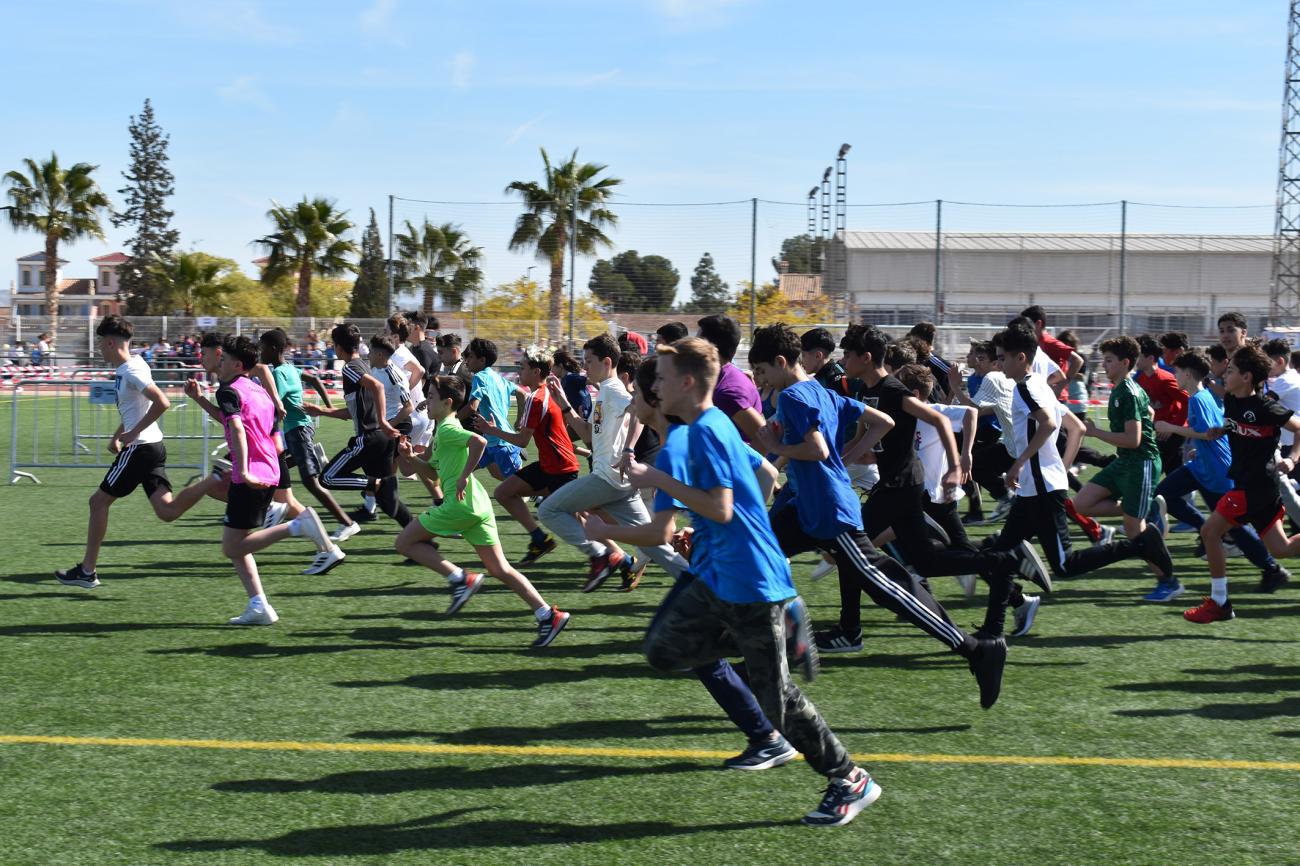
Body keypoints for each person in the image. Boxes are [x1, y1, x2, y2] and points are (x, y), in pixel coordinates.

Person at [623, 336, 883, 826]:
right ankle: (786, 626)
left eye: (659, 378)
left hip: (753, 582)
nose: (652, 387)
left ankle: (850, 779)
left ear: (684, 383)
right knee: (662, 650)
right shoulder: (700, 428)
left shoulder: (701, 432)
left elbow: (720, 506)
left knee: (777, 700)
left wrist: (653, 484)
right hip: (718, 578)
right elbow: (760, 478)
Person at [585, 354, 803, 771]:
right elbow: (764, 476)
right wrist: (714, 527)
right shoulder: (696, 433)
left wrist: (602, 533)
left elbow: (658, 535)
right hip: (720, 561)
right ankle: (767, 733)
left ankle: (778, 736)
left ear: (658, 393)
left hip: (725, 570)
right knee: (700, 653)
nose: (631, 404)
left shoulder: (678, 446)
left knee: (679, 647)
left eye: (637, 395)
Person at [824, 325, 1047, 655]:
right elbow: (861, 439)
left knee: (847, 550)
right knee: (926, 562)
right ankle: (1003, 557)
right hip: (901, 487)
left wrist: (958, 464)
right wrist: (835, 464)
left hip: (900, 487)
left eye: (847, 354)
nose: (842, 360)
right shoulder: (867, 391)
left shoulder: (894, 390)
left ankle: (849, 631)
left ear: (866, 358)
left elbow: (942, 421)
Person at [982, 325, 1173, 616]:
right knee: (998, 553)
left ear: (1020, 357)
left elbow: (1048, 424)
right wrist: (1062, 465)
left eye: (1002, 358)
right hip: (1038, 487)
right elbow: (1077, 427)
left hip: (1043, 490)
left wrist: (1019, 464)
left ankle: (1139, 544)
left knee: (1064, 565)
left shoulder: (1024, 389)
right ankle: (1006, 618)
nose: (998, 364)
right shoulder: (1039, 385)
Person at [393, 375, 571, 648]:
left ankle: (460, 578)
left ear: (447, 402)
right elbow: (429, 472)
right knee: (500, 568)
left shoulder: (449, 429)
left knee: (404, 542)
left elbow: (480, 441)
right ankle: (548, 615)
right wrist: (408, 456)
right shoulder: (441, 431)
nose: (426, 400)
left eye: (430, 396)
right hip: (476, 506)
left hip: (459, 504)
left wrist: (464, 475)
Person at [55, 316, 225, 589]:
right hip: (152, 447)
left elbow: (162, 402)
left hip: (141, 448)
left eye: (101, 343)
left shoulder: (131, 371)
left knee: (97, 503)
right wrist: (117, 434)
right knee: (167, 512)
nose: (100, 349)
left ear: (110, 343)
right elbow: (141, 408)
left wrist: (132, 434)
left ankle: (87, 571)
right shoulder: (135, 365)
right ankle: (213, 480)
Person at [199, 335, 339, 624]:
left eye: (223, 360)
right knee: (238, 543)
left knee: (232, 547)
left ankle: (297, 526)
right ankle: (259, 605)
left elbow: (237, 429)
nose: (219, 363)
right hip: (270, 468)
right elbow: (267, 423)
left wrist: (247, 472)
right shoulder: (257, 389)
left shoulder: (229, 391)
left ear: (237, 364)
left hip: (250, 474)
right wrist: (198, 398)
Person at [538, 334, 688, 592]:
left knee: (548, 510)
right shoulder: (604, 392)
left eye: (589, 361)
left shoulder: (615, 390)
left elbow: (638, 412)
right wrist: (563, 403)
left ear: (607, 362)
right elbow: (589, 436)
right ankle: (698, 584)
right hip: (620, 484)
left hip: (607, 479)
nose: (585, 367)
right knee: (653, 545)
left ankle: (601, 555)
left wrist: (629, 449)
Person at [1151, 350, 1288, 602]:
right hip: (1201, 465)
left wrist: (1170, 428)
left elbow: (1208, 433)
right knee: (1163, 494)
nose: (1174, 376)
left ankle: (1271, 568)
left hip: (1217, 470)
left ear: (1189, 374)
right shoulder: (1205, 396)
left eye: (1177, 372)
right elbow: (1216, 430)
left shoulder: (1199, 398)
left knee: (1233, 528)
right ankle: (1205, 530)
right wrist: (1194, 447)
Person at [1185, 345, 1300, 623]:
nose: (1227, 372)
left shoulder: (1266, 406)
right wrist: (1217, 431)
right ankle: (1220, 602)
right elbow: (1232, 424)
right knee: (1280, 549)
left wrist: (1293, 459)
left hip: (1254, 487)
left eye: (1233, 370)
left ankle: (1220, 602)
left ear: (1247, 377)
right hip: (1253, 487)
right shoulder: (1233, 400)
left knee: (1210, 531)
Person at [472, 347, 580, 568]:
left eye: (522, 367)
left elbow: (521, 441)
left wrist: (491, 430)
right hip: (551, 465)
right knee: (504, 492)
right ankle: (539, 539)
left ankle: (621, 558)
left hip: (560, 469)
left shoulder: (537, 398)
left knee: (585, 519)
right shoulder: (548, 392)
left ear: (536, 371)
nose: (518, 371)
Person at [255, 328, 356, 543]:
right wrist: (328, 408)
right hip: (302, 428)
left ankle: (347, 522)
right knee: (277, 463)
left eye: (262, 348)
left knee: (311, 482)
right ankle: (313, 457)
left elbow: (274, 404)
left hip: (297, 430)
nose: (259, 352)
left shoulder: (278, 374)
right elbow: (316, 380)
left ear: (273, 349)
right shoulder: (290, 368)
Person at [310, 323, 411, 529]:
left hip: (370, 438)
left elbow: (378, 387)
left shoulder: (349, 367)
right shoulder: (365, 366)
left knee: (327, 478)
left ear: (338, 347)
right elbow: (354, 412)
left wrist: (382, 421)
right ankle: (419, 538)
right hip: (382, 440)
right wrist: (321, 411)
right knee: (388, 501)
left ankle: (374, 484)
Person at [1074, 337, 1169, 553]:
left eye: (1108, 360)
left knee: (1134, 530)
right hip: (1125, 462)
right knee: (1081, 504)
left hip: (1141, 463)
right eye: (1103, 360)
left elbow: (1133, 440)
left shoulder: (1128, 391)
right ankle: (1147, 506)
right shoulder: (1122, 388)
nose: (1103, 365)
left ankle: (1168, 582)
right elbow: (1150, 413)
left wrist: (1095, 432)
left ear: (1125, 363)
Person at [460, 337, 523, 481]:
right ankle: (450, 497)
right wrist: (519, 420)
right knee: (463, 471)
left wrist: (451, 419)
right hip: (490, 440)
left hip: (501, 442)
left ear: (482, 360)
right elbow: (522, 394)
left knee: (517, 485)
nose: (467, 361)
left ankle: (543, 497)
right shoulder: (498, 378)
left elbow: (472, 407)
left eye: (470, 357)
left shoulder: (480, 377)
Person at [696, 314, 765, 441]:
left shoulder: (728, 391)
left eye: (697, 342)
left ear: (712, 348)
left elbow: (762, 438)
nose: (693, 347)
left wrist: (742, 461)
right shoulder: (729, 376)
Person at [1134, 335, 1188, 482]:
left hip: (1172, 433)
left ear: (1151, 358)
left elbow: (1188, 401)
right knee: (1175, 476)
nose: (1134, 359)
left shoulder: (1165, 379)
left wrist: (1173, 427)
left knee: (1149, 475)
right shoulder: (1140, 379)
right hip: (1161, 431)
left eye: (1137, 355)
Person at [1019, 305, 1083, 399]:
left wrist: (1060, 386)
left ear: (1038, 324)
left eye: (1027, 325)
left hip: (1055, 397)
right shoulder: (1036, 342)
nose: (1024, 329)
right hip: (1044, 394)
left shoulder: (1049, 342)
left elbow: (1078, 360)